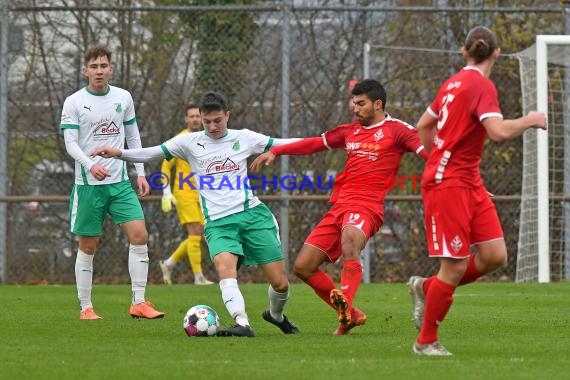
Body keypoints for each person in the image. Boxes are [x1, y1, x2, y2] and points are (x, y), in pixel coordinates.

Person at [91, 91, 300, 336]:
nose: (212, 126)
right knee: (225, 269)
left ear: (227, 116)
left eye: (218, 120)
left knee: (280, 283)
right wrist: (120, 153)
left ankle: (276, 315)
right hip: (218, 223)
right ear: (200, 118)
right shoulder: (188, 143)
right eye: (207, 121)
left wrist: (327, 140)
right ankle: (242, 323)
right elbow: (153, 152)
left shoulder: (243, 138)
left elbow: (285, 143)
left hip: (252, 215)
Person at [408, 26, 547, 356]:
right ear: (496, 53)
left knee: (494, 255)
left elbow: (423, 126)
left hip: (468, 181)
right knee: (454, 266)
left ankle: (426, 287)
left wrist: (437, 156)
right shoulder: (480, 84)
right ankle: (425, 342)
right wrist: (530, 119)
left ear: (464, 51)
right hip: (450, 183)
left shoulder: (451, 83)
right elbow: (497, 132)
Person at [250, 79, 427, 335]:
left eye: (361, 103)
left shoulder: (398, 130)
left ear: (378, 104)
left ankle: (346, 304)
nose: (355, 109)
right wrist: (277, 152)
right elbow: (313, 143)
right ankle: (351, 315)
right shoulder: (349, 131)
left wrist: (463, 180)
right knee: (303, 266)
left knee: (350, 242)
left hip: (367, 206)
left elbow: (431, 155)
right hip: (340, 207)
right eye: (354, 103)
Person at [60, 45, 164, 320]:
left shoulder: (123, 97)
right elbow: (70, 143)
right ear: (85, 71)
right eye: (93, 66)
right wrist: (90, 165)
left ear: (111, 69)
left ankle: (139, 302)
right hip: (88, 186)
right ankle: (86, 307)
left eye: (103, 66)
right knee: (89, 246)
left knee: (140, 236)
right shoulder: (73, 102)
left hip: (120, 183)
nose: (99, 71)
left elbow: (133, 137)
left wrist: (140, 172)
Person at [159, 104, 214, 285]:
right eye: (191, 116)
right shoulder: (180, 140)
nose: (195, 119)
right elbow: (166, 166)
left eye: (198, 116)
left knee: (200, 235)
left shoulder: (208, 138)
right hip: (184, 193)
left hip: (204, 193)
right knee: (195, 233)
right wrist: (166, 192)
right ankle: (198, 277)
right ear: (186, 119)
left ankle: (169, 263)